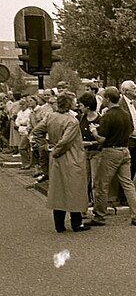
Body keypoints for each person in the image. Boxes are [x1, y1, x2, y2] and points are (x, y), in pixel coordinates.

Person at [31, 92, 91, 232]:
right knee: (75, 189)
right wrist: (55, 150)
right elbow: (66, 141)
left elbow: (37, 131)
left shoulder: (50, 117)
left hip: (56, 159)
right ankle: (77, 223)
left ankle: (59, 224)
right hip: (72, 157)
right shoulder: (72, 121)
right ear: (70, 104)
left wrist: (46, 147)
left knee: (58, 190)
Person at [86, 86, 136, 227]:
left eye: (104, 98)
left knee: (102, 185)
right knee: (128, 184)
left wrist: (93, 131)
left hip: (110, 152)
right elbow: (131, 131)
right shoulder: (125, 114)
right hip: (125, 150)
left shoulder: (107, 116)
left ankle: (100, 216)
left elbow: (101, 139)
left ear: (108, 99)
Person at [119, 80, 136, 205]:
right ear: (125, 91)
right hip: (128, 140)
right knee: (126, 169)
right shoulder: (120, 103)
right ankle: (125, 197)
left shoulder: (135, 103)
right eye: (134, 88)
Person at [77, 92, 101, 206]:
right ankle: (85, 202)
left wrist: (90, 143)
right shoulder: (81, 118)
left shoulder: (101, 120)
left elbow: (104, 139)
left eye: (81, 105)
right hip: (84, 152)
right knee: (84, 179)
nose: (79, 107)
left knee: (95, 181)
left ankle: (97, 205)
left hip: (96, 152)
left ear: (87, 106)